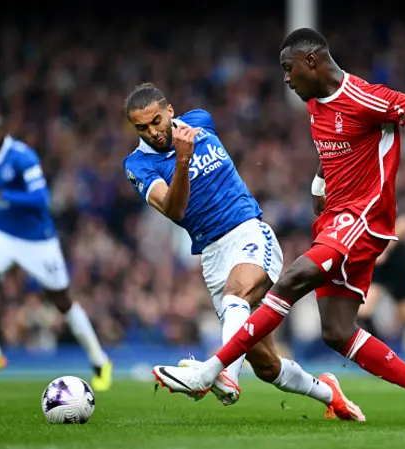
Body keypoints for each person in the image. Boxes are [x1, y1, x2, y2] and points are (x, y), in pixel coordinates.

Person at [152, 28, 405, 426]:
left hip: (364, 217)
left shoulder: (366, 97)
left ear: (311, 61)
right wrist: (318, 183)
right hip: (336, 220)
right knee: (336, 331)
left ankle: (210, 371)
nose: (286, 79)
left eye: (288, 69)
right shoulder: (316, 105)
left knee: (293, 278)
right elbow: (329, 147)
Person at [123, 83, 364, 420]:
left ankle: (221, 374)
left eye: (156, 121)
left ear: (170, 111)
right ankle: (330, 393)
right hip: (212, 255)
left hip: (249, 231)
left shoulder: (201, 121)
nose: (152, 132)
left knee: (237, 295)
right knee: (265, 365)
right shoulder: (138, 165)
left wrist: (184, 153)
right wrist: (182, 159)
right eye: (142, 128)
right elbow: (175, 211)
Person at [0, 113, 112, 390]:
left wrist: (0, 197)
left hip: (37, 240)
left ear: (6, 132)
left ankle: (99, 360)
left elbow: (40, 199)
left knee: (61, 300)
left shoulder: (23, 157)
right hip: (5, 235)